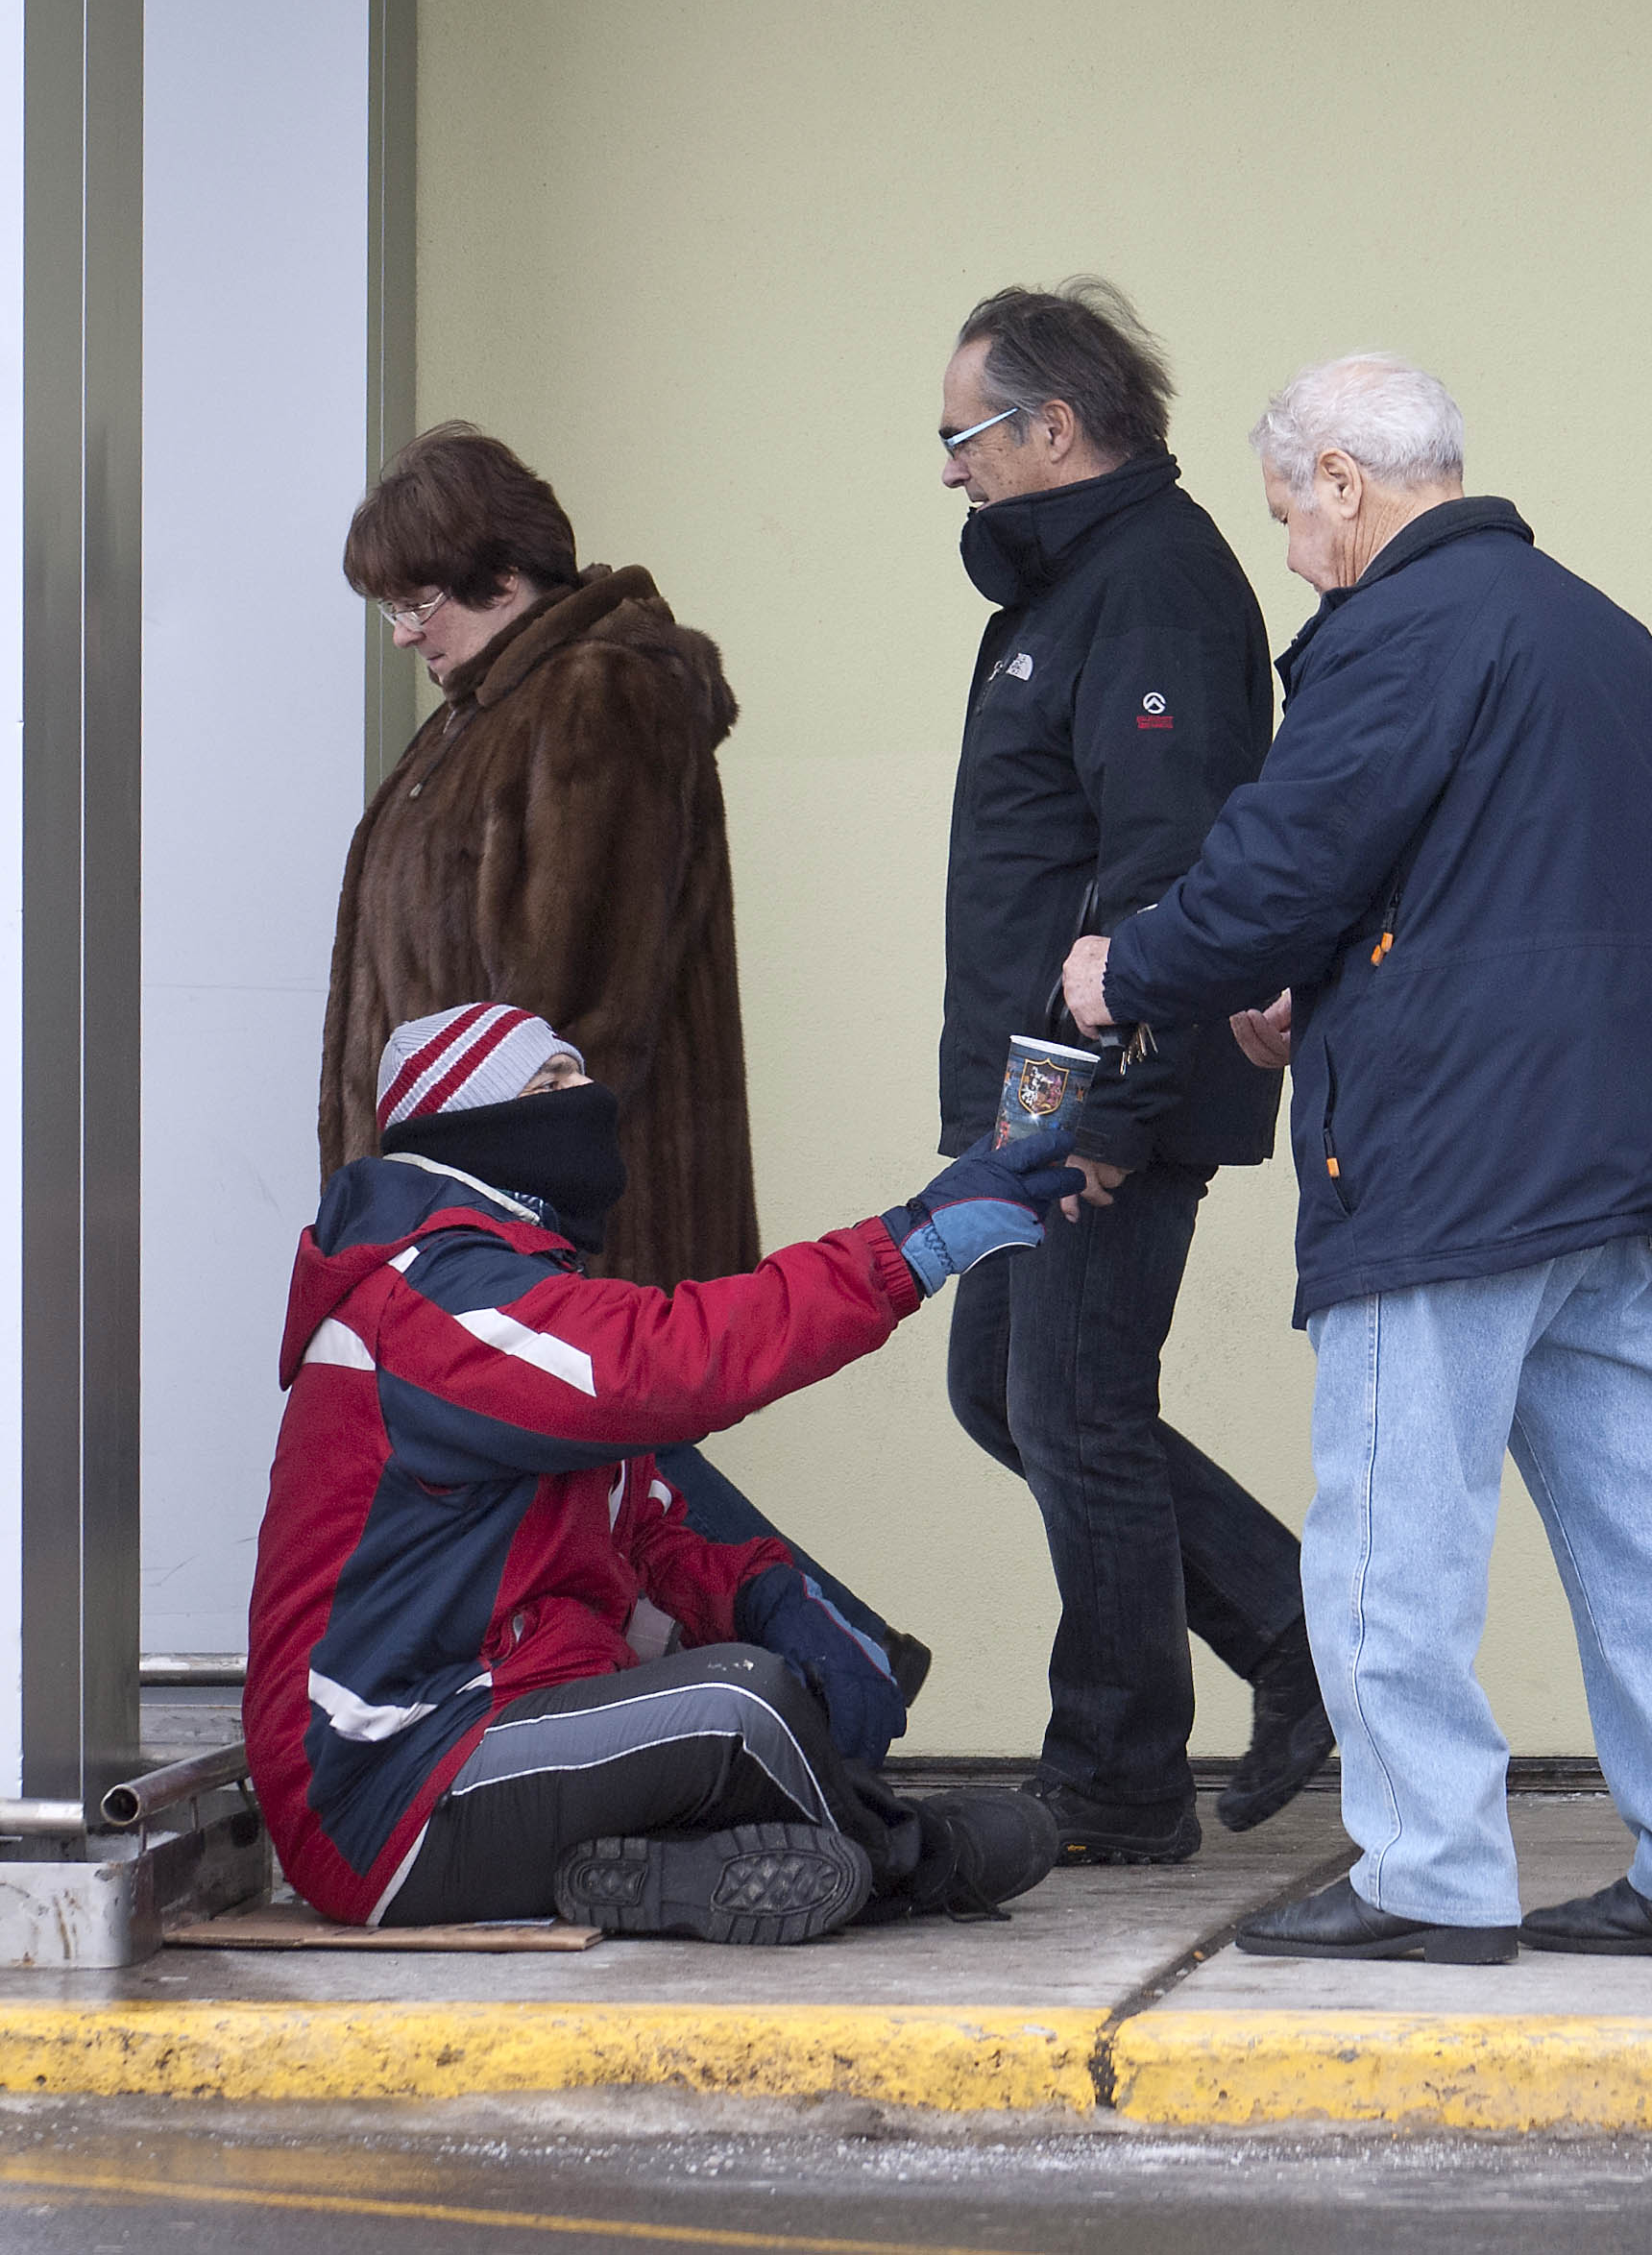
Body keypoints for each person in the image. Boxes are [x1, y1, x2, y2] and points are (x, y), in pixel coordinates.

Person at [1062, 354, 1652, 1965]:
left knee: (1392, 1530)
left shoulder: (1400, 631)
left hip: (1453, 1160)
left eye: (1287, 513)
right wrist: (1310, 986)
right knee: (1643, 1534)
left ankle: (1427, 1870)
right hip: (1612, 1157)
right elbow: (1475, 874)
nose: (1287, 551)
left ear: (1346, 480)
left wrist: (1130, 971)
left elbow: (1281, 863)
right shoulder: (1601, 631)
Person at [320, 423, 927, 1726]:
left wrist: (493, 1203)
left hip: (540, 1200)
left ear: (496, 572)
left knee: (619, 1453)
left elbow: (574, 1001)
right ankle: (816, 1670)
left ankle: (836, 1666)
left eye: (414, 599)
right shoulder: (479, 718)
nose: (400, 634)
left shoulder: (594, 693)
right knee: (614, 1475)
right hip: (459, 1210)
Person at [245, 1001, 1078, 1942]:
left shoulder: (499, 1283)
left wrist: (765, 1594)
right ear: (464, 1121)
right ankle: (914, 1864)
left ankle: (668, 1878)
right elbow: (670, 1362)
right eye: (549, 1082)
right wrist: (909, 1245)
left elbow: (637, 1529)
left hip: (499, 1724)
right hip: (385, 1792)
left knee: (756, 1678)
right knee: (737, 1705)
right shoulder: (425, 1296)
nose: (585, 1096)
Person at [934, 280, 1325, 1866]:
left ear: (1050, 426)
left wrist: (1099, 1107)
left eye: (962, 434)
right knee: (1001, 1389)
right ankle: (1296, 1632)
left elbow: (1163, 870)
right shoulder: (1065, 590)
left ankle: (1115, 1776)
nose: (947, 468)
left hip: (1096, 1088)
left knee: (1073, 1403)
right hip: (1035, 1085)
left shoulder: (1148, 587)